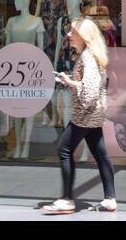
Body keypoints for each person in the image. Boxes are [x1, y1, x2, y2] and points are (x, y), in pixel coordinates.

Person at [43, 18, 117, 214]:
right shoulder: (91, 55)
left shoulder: (87, 57)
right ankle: (110, 198)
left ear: (84, 36)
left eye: (73, 32)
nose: (68, 35)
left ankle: (67, 199)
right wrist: (69, 80)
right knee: (101, 155)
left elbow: (89, 89)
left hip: (85, 114)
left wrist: (69, 82)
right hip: (93, 114)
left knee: (64, 149)